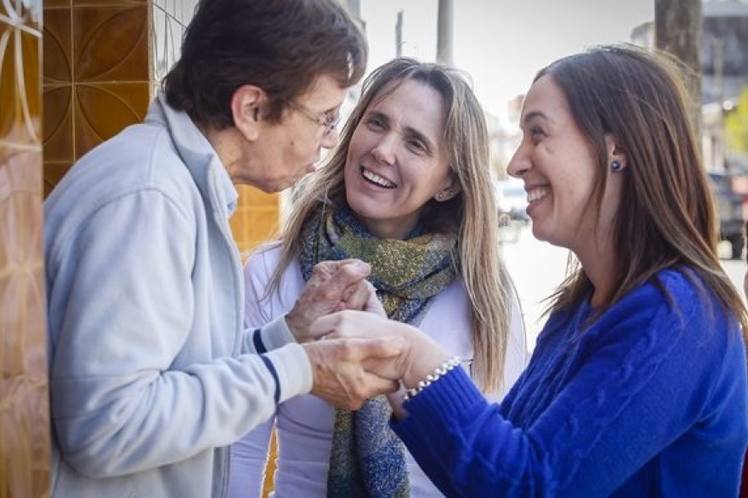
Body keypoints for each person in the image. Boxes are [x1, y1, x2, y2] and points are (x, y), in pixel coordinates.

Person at [312, 45, 748, 497]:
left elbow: (530, 486)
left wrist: (410, 352)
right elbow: (491, 465)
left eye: (538, 134)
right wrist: (389, 353)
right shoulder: (579, 309)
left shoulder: (677, 316)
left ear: (616, 150)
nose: (516, 162)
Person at [43, 1, 406, 497]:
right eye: (324, 117)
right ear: (253, 109)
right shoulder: (149, 198)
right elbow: (108, 425)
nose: (329, 141)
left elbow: (180, 372)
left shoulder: (178, 187)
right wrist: (301, 370)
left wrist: (289, 334)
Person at [229, 58, 528, 498]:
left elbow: (501, 455)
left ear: (447, 183)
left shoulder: (483, 293)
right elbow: (239, 449)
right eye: (377, 123)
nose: (383, 150)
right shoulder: (274, 272)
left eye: (415, 144)